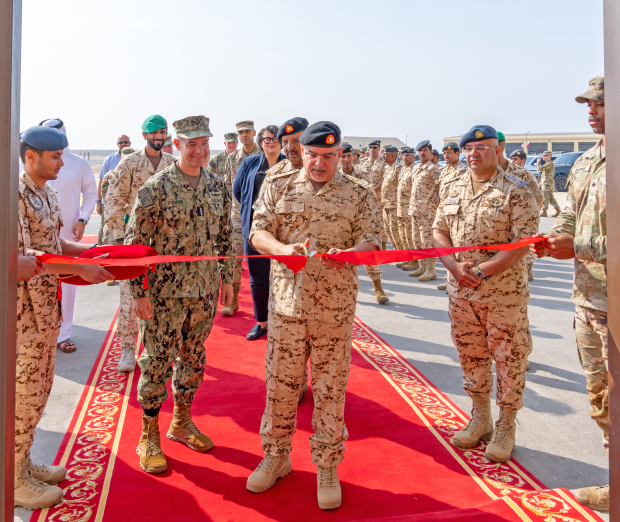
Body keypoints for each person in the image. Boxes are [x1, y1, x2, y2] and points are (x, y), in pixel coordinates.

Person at [246, 121, 381, 510]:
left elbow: (373, 240)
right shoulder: (278, 183)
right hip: (286, 307)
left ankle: (326, 465)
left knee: (329, 389)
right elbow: (257, 232)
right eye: (313, 155)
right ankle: (276, 457)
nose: (319, 164)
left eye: (328, 156)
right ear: (301, 152)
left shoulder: (359, 192)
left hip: (333, 312)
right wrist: (281, 249)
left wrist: (351, 254)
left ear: (340, 155)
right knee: (281, 386)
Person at [125, 115, 234, 475]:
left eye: (204, 143)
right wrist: (139, 293)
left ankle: (182, 421)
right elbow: (135, 245)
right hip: (164, 295)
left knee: (193, 358)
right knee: (156, 362)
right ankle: (149, 434)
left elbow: (225, 235)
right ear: (177, 145)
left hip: (203, 292)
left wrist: (228, 278)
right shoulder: (155, 188)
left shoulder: (217, 185)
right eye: (192, 144)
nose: (199, 150)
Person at [16, 126, 114, 509]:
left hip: (47, 310)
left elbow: (54, 244)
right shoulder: (15, 195)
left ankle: (22, 464)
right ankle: (13, 480)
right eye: (55, 157)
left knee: (39, 392)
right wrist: (78, 268)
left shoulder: (46, 192)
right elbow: (27, 261)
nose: (62, 163)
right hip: (24, 317)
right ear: (31, 156)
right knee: (23, 397)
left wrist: (90, 253)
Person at [433, 125, 538, 463]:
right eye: (469, 149)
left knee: (509, 358)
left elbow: (523, 242)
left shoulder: (517, 188)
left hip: (502, 294)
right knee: (470, 355)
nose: (473, 154)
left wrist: (480, 271)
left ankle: (506, 424)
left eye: (482, 148)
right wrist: (453, 267)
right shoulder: (452, 185)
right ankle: (481, 418)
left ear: (497, 150)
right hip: (461, 293)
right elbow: (439, 230)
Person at [531, 74, 608, 512]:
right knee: (601, 396)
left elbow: (582, 238)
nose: (591, 111)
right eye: (589, 105)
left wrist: (576, 245)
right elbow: (569, 218)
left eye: (600, 104)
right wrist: (552, 239)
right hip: (588, 299)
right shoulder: (585, 161)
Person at [105, 114, 175, 372]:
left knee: (162, 295)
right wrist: (119, 238)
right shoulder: (130, 163)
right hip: (134, 239)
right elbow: (114, 200)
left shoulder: (172, 164)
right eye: (154, 133)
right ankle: (127, 346)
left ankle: (158, 349)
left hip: (164, 242)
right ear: (144, 135)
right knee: (130, 295)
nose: (159, 137)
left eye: (162, 132)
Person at [39, 118, 98, 354]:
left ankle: (64, 333)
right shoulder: (31, 163)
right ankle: (43, 331)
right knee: (39, 278)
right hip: (39, 232)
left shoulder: (78, 163)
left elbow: (91, 194)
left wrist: (83, 219)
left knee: (68, 282)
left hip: (68, 233)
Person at [233, 124, 285, 340]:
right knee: (258, 278)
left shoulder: (290, 164)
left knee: (284, 277)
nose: (271, 142)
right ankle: (261, 321)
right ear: (261, 142)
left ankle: (283, 320)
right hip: (254, 230)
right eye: (267, 139)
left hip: (283, 232)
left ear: (281, 142)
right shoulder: (249, 163)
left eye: (275, 138)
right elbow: (238, 190)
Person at [340, 143, 389, 303]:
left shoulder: (362, 175)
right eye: (343, 156)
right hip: (341, 224)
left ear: (354, 157)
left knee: (369, 257)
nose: (346, 159)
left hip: (361, 222)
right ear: (338, 158)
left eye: (349, 156)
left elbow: (370, 198)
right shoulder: (334, 176)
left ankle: (378, 287)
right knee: (341, 258)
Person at [222, 120, 261, 316]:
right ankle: (233, 301)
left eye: (247, 131)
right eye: (240, 132)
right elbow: (228, 187)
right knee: (235, 259)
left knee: (263, 261)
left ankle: (263, 304)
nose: (244, 135)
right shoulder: (232, 159)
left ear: (254, 132)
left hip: (261, 216)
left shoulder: (264, 155)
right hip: (238, 217)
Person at [496, 135, 543, 283]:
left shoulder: (522, 173)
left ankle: (528, 268)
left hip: (518, 223)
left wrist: (528, 217)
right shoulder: (484, 173)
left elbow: (538, 197)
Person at [435, 143, 468, 292]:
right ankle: (450, 279)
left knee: (455, 247)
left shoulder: (463, 171)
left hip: (456, 213)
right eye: (444, 153)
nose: (446, 156)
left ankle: (455, 279)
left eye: (449, 153)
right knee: (446, 247)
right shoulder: (444, 170)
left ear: (457, 153)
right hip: (444, 211)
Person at [409, 140, 440, 281]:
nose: (422, 153)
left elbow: (439, 189)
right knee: (417, 240)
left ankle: (431, 270)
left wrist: (437, 209)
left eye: (425, 150)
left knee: (427, 241)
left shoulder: (433, 169)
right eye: (420, 150)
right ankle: (422, 266)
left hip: (428, 212)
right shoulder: (416, 168)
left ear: (430, 152)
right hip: (415, 210)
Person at [97, 134, 130, 246]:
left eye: (126, 142)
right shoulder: (110, 163)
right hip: (111, 208)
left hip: (129, 210)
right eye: (121, 142)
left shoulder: (138, 169)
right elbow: (102, 184)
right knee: (104, 232)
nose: (123, 144)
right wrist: (98, 202)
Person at [395, 147, 421, 273]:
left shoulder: (415, 169)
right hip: (400, 207)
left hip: (409, 209)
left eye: (408, 156)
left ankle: (415, 261)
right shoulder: (403, 168)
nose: (405, 158)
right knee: (403, 235)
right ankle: (408, 257)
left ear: (413, 156)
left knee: (410, 236)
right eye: (404, 155)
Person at [381, 145, 404, 255]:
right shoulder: (387, 167)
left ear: (392, 156)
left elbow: (401, 187)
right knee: (388, 231)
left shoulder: (399, 168)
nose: (383, 156)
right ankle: (397, 252)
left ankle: (402, 253)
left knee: (396, 231)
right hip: (385, 204)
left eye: (385, 154)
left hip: (394, 206)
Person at [538, 150, 561, 217]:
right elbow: (543, 174)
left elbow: (541, 168)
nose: (543, 157)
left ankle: (544, 211)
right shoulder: (547, 163)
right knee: (550, 198)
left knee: (545, 197)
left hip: (548, 183)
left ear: (548, 156)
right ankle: (558, 210)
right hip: (546, 182)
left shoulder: (550, 163)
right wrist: (540, 183)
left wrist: (538, 162)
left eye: (544, 155)